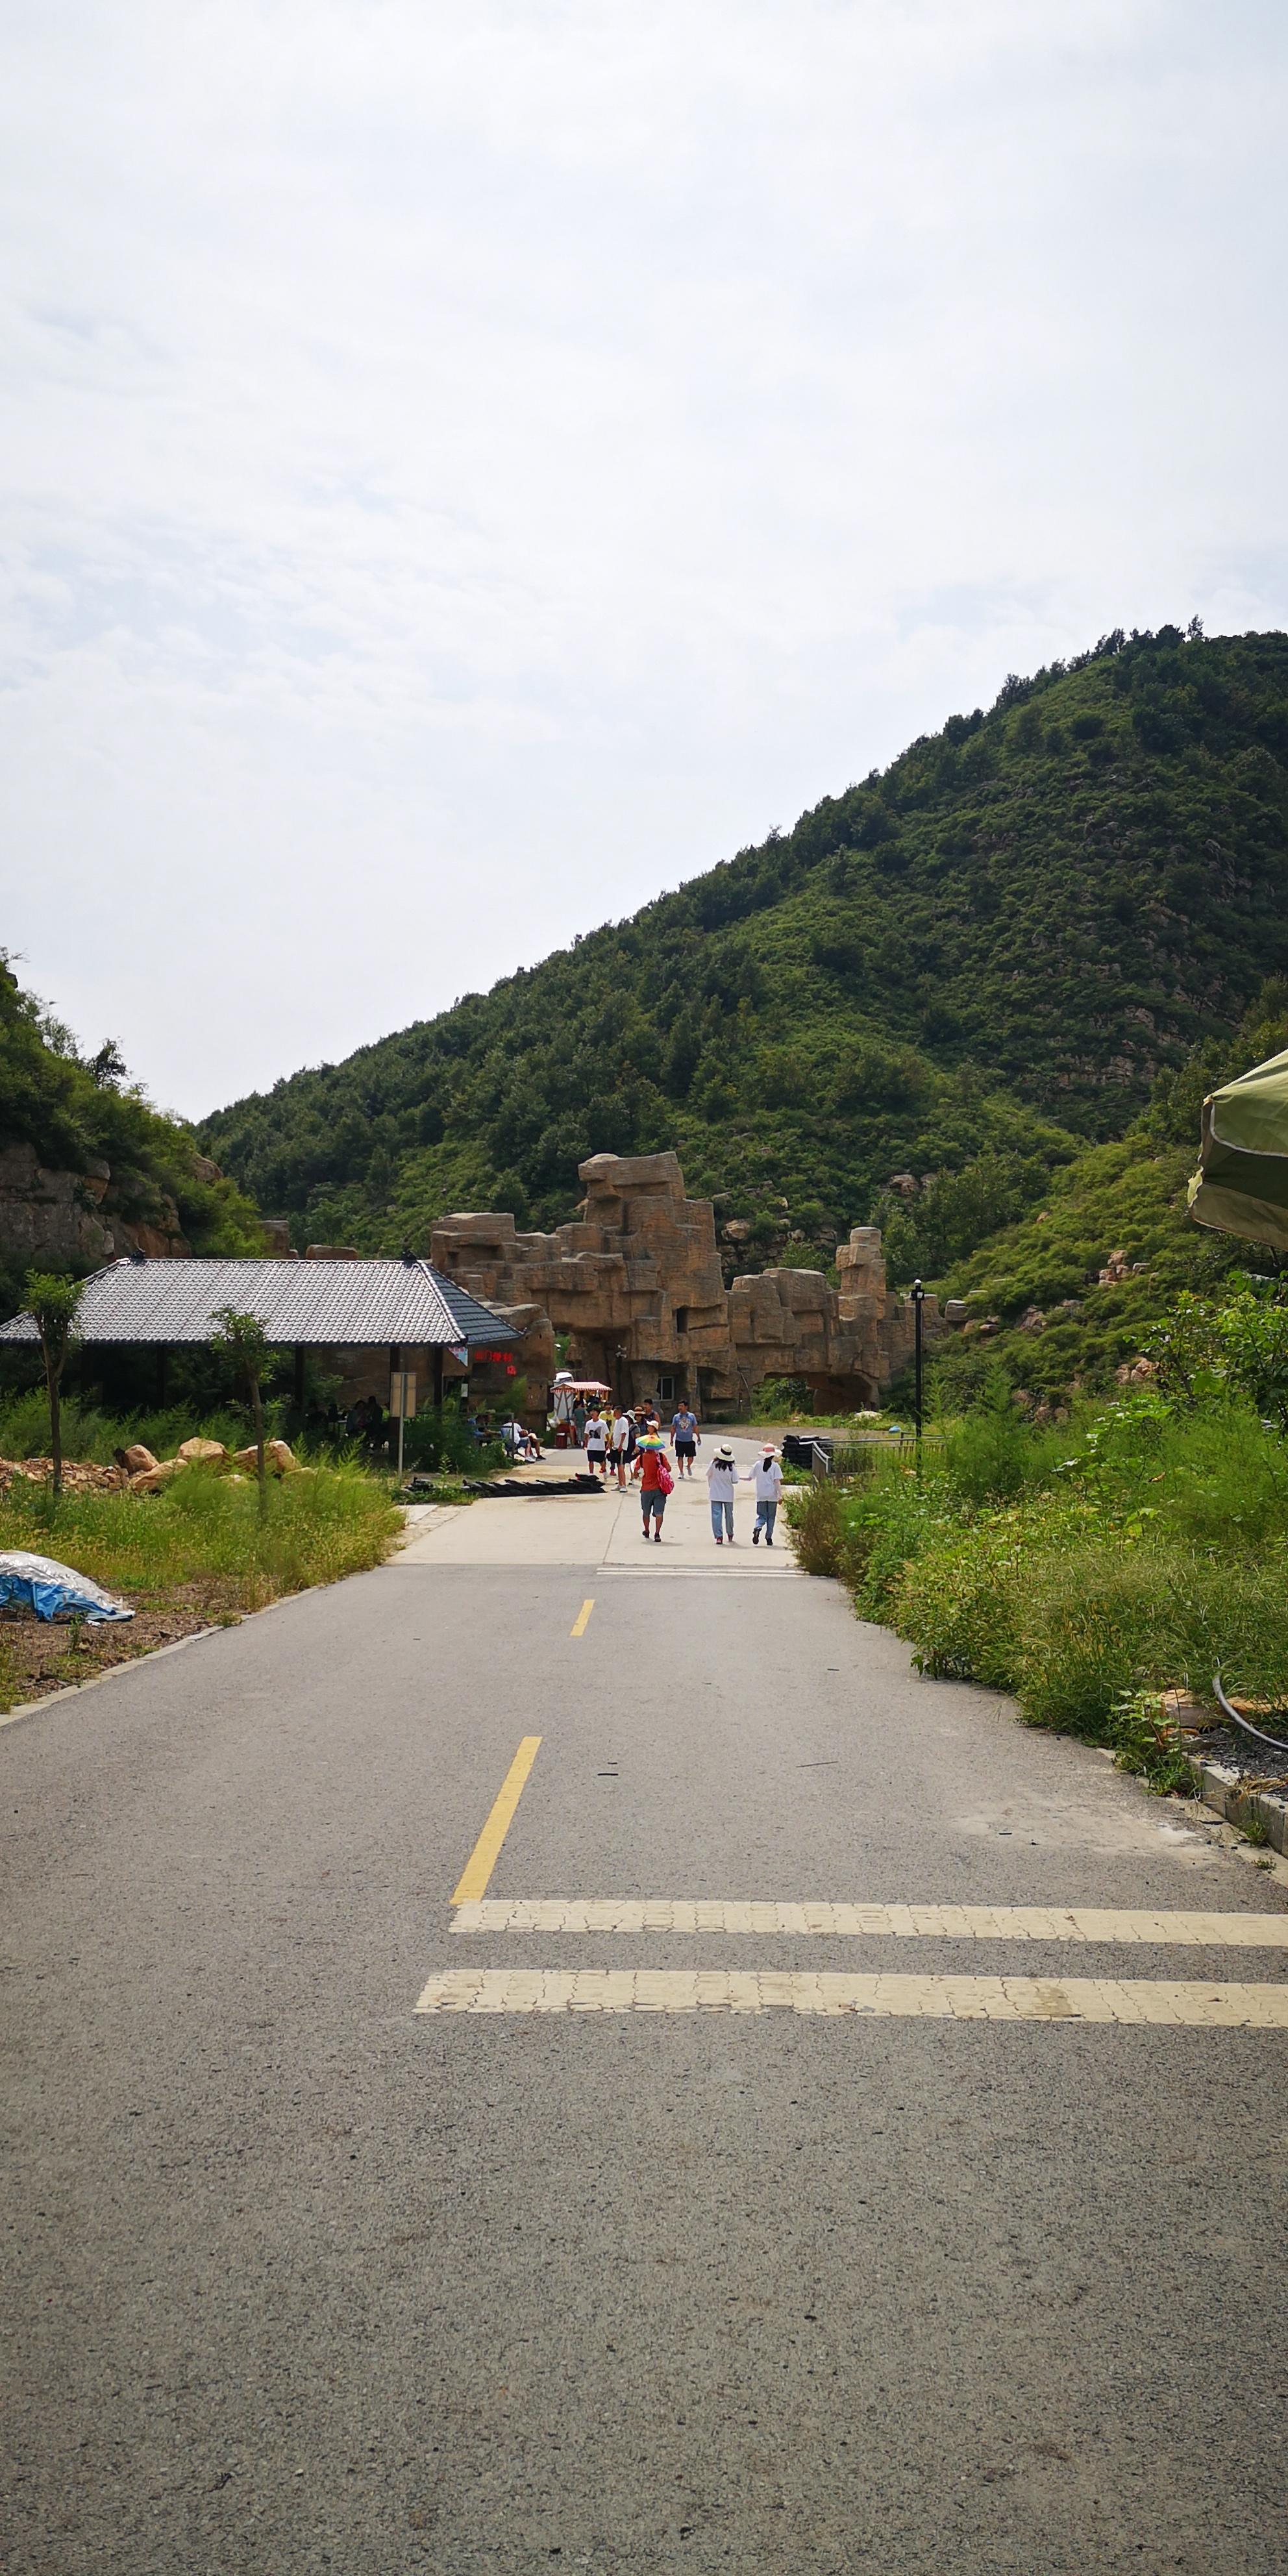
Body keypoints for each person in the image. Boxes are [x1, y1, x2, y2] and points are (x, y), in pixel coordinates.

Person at [749, 1442, 784, 1545]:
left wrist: (738, 1479)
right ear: (773, 1455)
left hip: (761, 1495)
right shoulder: (775, 1466)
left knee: (761, 1515)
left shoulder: (758, 1465)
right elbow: (777, 1482)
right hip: (772, 1495)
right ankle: (769, 1538)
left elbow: (750, 1477)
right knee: (771, 1517)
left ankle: (758, 1527)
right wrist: (780, 1495)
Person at [638, 1433, 670, 1542]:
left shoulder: (642, 1457)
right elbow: (669, 1469)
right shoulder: (661, 1457)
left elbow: (636, 1473)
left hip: (646, 1489)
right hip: (660, 1489)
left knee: (646, 1512)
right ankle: (657, 1533)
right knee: (659, 1512)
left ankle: (647, 1531)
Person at [706, 1441, 739, 1545]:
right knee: (729, 1515)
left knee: (716, 1515)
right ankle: (730, 1533)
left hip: (715, 1493)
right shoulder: (732, 1467)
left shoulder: (713, 1464)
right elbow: (735, 1480)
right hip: (728, 1494)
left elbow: (709, 1475)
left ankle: (719, 1536)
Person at [670, 1400, 700, 1477]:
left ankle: (689, 1466)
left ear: (686, 1407)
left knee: (691, 1457)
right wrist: (671, 1439)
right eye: (679, 1406)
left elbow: (695, 1427)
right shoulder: (676, 1417)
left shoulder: (691, 1416)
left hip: (689, 1440)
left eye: (682, 1406)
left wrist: (698, 1437)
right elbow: (673, 1428)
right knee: (680, 1456)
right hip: (679, 1440)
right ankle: (681, 1472)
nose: (680, 1408)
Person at [610, 1404, 633, 1488]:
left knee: (621, 1466)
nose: (613, 1413)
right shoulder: (617, 1421)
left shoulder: (623, 1420)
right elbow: (615, 1433)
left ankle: (623, 1485)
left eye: (615, 1411)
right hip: (615, 1446)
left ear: (619, 1412)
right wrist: (610, 1441)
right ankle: (620, 1484)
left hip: (621, 1447)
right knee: (617, 1465)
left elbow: (624, 1433)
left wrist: (621, 1445)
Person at [584, 1407, 608, 1478]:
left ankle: (604, 1470)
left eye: (594, 1411)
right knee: (591, 1460)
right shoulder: (588, 1423)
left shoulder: (603, 1423)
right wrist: (586, 1443)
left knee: (602, 1461)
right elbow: (587, 1434)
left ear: (597, 1413)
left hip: (600, 1446)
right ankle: (591, 1474)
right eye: (591, 1411)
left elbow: (607, 1433)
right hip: (591, 1445)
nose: (592, 1413)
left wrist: (609, 1443)